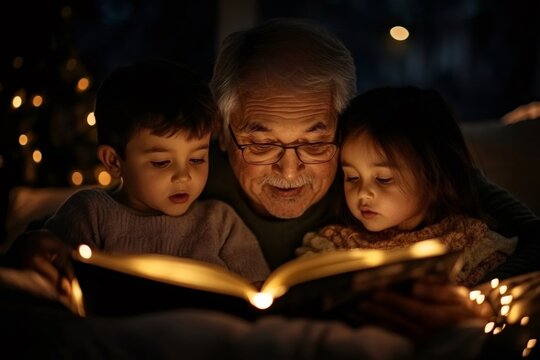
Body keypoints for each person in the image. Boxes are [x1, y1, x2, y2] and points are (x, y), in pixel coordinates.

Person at [202, 17, 540, 334]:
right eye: (261, 144)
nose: (290, 170)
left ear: (343, 129)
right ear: (221, 129)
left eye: (315, 142)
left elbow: (534, 236)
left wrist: (475, 301)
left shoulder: (374, 165)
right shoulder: (186, 173)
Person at [37, 59, 269, 293]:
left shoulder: (220, 222)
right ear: (114, 161)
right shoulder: (91, 213)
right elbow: (37, 261)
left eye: (197, 159)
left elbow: (258, 292)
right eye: (161, 162)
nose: (183, 176)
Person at [297, 86, 517, 287]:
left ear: (432, 176)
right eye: (352, 178)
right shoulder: (334, 245)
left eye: (383, 179)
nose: (363, 193)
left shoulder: (471, 244)